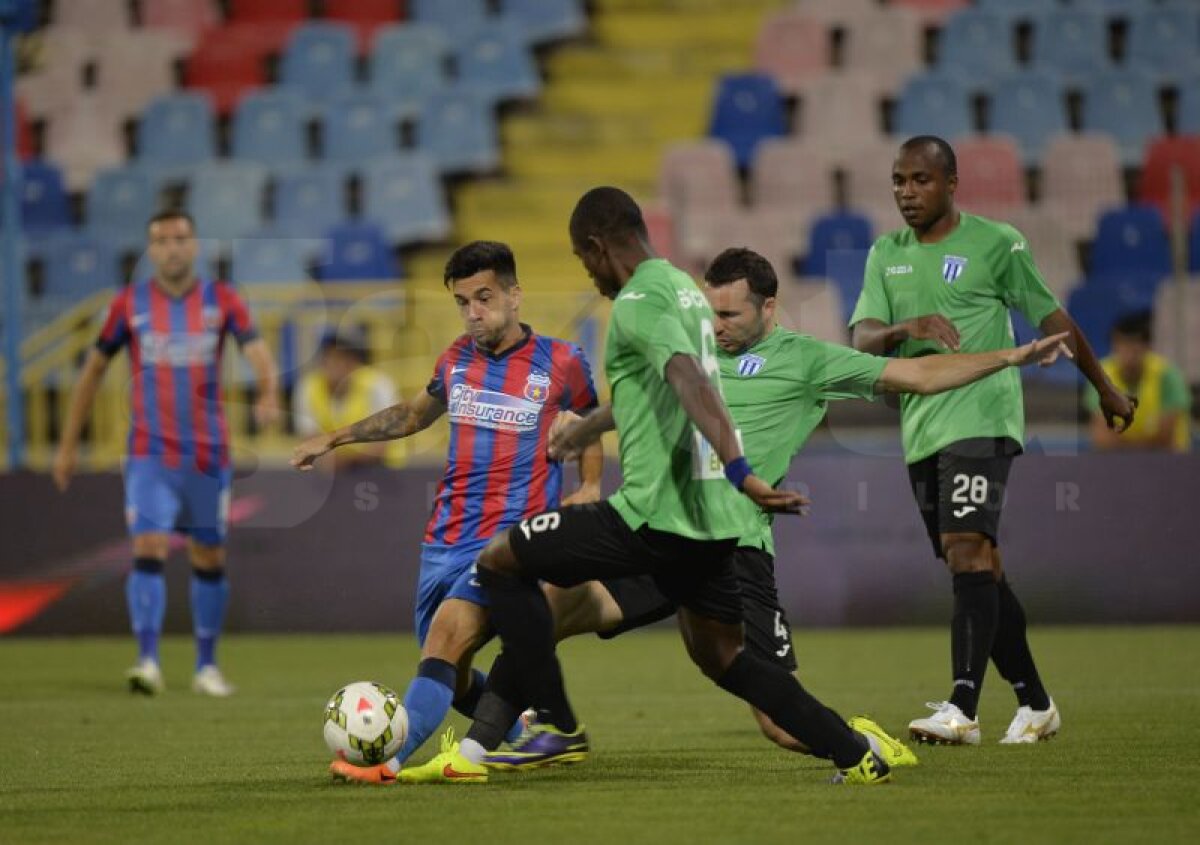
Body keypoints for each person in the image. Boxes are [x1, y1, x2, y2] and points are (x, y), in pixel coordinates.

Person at [399, 187, 907, 788]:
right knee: (725, 661)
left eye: (582, 259)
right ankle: (855, 752)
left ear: (596, 246)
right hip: (709, 525)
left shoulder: (639, 301)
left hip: (648, 517)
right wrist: (590, 425)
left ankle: (556, 727)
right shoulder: (684, 291)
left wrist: (742, 469)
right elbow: (662, 392)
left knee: (503, 558)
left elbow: (689, 380)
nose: (587, 274)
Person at [541, 246, 1071, 755]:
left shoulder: (807, 360)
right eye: (710, 313)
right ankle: (518, 725)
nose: (716, 325)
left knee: (779, 723)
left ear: (768, 307)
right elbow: (637, 400)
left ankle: (865, 746)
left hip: (734, 546)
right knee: (553, 604)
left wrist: (1012, 356)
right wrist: (581, 428)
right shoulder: (695, 351)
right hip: (662, 524)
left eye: (728, 314)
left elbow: (917, 375)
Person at [848, 136, 1137, 745]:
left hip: (983, 417)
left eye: (920, 180)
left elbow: (1053, 319)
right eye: (899, 180)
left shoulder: (997, 243)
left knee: (965, 547)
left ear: (951, 183)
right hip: (922, 428)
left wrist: (1105, 388)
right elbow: (863, 340)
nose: (906, 192)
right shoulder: (885, 254)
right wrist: (910, 326)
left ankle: (962, 708)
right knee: (978, 566)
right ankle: (1035, 704)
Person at [289, 241, 603, 782]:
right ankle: (523, 728)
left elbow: (590, 418)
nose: (474, 312)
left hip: (507, 544)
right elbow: (413, 415)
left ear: (514, 295)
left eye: (484, 297)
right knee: (449, 673)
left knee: (445, 639)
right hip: (443, 540)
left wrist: (591, 484)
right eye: (463, 302)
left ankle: (387, 761)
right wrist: (335, 437)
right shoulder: (456, 359)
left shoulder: (562, 361)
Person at [52, 209, 281, 697]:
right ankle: (148, 661)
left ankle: (206, 666)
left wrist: (268, 392)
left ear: (194, 245)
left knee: (208, 553)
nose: (172, 247)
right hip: (148, 453)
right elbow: (92, 371)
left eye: (179, 238)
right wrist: (69, 445)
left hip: (207, 455)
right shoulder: (127, 304)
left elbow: (258, 351)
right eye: (161, 240)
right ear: (150, 250)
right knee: (149, 546)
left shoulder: (223, 301)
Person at [292, 326, 402, 470]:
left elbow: (384, 443)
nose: (338, 365)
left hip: (384, 470)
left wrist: (345, 460)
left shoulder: (378, 385)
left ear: (356, 363)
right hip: (331, 472)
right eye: (332, 357)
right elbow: (309, 438)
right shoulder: (308, 388)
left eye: (345, 359)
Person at [1086, 311, 1191, 453]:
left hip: (1167, 463)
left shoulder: (1168, 376)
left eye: (1134, 346)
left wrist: (1123, 445)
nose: (1129, 354)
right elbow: (1102, 438)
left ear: (1147, 347)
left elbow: (1166, 437)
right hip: (1118, 464)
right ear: (1114, 345)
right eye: (1122, 345)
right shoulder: (1100, 375)